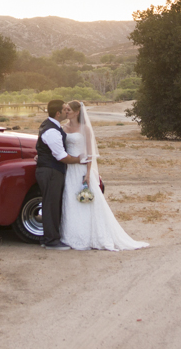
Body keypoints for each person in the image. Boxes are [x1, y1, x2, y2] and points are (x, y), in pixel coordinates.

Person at [59, 100, 148, 251]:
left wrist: (88, 173)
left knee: (85, 201)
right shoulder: (63, 128)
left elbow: (89, 152)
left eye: (68, 109)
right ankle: (72, 234)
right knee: (70, 200)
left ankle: (91, 235)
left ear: (77, 112)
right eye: (65, 109)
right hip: (69, 168)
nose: (66, 112)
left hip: (81, 170)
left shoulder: (85, 129)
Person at [35, 99, 83, 250]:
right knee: (51, 206)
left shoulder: (51, 126)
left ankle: (48, 238)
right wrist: (79, 159)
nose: (66, 111)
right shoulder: (52, 131)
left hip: (50, 169)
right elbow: (61, 157)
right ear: (58, 113)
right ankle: (51, 240)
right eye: (64, 109)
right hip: (51, 171)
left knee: (52, 205)